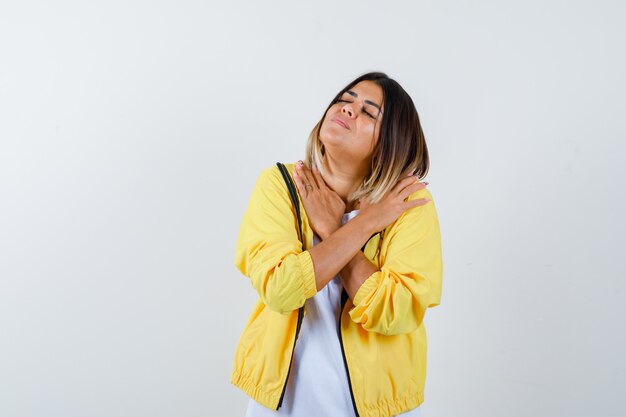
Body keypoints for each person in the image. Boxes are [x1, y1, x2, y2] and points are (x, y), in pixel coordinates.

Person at [230, 71, 443, 417]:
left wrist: (334, 228)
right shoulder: (281, 185)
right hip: (284, 407)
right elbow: (281, 289)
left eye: (368, 112)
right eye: (345, 100)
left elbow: (397, 311)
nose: (347, 109)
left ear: (391, 142)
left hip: (378, 409)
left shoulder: (407, 206)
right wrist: (365, 225)